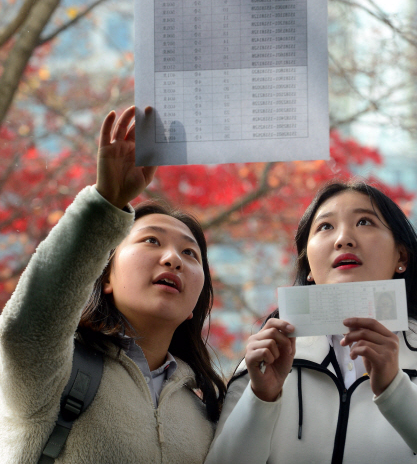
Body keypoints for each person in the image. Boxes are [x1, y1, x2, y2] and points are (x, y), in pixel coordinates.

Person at [0, 106, 225, 464]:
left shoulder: (205, 414)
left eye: (190, 253)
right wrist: (105, 203)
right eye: (151, 240)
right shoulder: (53, 369)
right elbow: (27, 326)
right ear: (105, 276)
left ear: (195, 306)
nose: (173, 259)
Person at [205, 180, 417, 464]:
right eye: (325, 227)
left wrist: (395, 390)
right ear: (309, 268)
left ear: (401, 256)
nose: (344, 239)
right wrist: (261, 397)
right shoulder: (269, 356)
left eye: (365, 221)